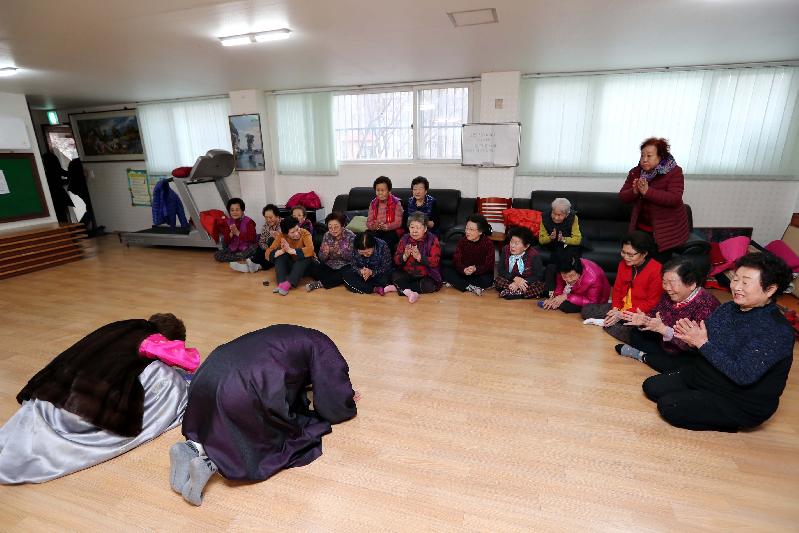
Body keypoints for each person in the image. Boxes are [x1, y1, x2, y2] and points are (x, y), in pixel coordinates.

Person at [169, 324, 359, 506]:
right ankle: (210, 463)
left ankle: (191, 448)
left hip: (207, 374)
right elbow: (333, 394)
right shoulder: (325, 347)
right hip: (239, 388)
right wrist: (346, 398)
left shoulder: (294, 335)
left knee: (218, 418)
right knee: (269, 435)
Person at [0, 314, 199, 484]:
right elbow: (187, 361)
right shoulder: (150, 337)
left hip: (53, 391)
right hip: (81, 406)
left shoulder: (120, 327)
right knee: (166, 377)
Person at [642, 253, 794, 432]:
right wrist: (691, 340)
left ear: (770, 289)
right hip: (708, 376)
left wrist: (702, 343)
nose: (736, 286)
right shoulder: (728, 308)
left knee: (668, 406)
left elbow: (743, 374)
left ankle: (729, 423)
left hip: (740, 399)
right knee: (651, 387)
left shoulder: (777, 330)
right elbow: (703, 343)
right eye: (735, 279)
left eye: (745, 283)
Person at [615, 256, 720, 372]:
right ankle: (652, 358)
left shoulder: (706, 305)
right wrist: (644, 320)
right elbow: (655, 315)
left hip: (687, 352)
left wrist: (664, 330)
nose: (667, 288)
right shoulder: (669, 295)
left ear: (691, 284)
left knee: (685, 364)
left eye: (671, 283)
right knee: (636, 334)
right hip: (666, 343)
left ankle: (643, 357)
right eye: (664, 283)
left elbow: (697, 346)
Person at [581, 231, 663, 343]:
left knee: (629, 334)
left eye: (630, 254)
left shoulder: (657, 270)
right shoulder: (623, 264)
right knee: (586, 310)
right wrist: (616, 309)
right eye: (623, 252)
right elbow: (617, 289)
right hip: (621, 308)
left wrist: (622, 314)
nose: (626, 257)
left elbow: (651, 303)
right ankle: (612, 321)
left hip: (639, 313)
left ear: (644, 253)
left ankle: (610, 322)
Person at [619, 137, 689, 263]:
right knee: (638, 262)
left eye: (649, 156)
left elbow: (674, 198)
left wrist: (647, 192)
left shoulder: (674, 172)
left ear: (660, 156)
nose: (644, 159)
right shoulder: (636, 172)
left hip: (666, 231)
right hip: (641, 228)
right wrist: (634, 191)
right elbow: (622, 197)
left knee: (657, 266)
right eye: (642, 155)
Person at [393, 212, 442, 303]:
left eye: (418, 228)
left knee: (430, 286)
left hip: (426, 275)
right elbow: (396, 260)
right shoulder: (404, 239)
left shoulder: (432, 239)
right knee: (394, 275)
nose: (414, 231)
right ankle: (407, 291)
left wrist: (420, 257)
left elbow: (435, 261)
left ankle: (401, 288)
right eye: (412, 227)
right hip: (408, 273)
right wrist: (405, 255)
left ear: (425, 229)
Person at [442, 214, 495, 296]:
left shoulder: (488, 243)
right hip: (464, 273)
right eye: (466, 228)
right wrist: (463, 269)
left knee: (487, 280)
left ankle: (461, 285)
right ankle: (471, 287)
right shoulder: (462, 241)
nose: (467, 232)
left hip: (479, 273)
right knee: (446, 271)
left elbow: (489, 265)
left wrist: (475, 269)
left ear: (480, 231)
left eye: (471, 229)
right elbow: (456, 260)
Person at [539, 198, 583, 293]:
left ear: (566, 214)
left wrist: (563, 239)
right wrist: (550, 238)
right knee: (555, 259)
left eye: (559, 215)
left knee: (569, 255)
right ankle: (550, 290)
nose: (555, 217)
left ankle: (570, 287)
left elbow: (577, 239)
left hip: (568, 244)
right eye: (554, 213)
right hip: (551, 244)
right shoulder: (545, 217)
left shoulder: (573, 218)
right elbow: (541, 240)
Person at [541, 256, 611, 313]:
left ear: (579, 272)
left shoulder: (593, 278)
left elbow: (592, 301)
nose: (569, 279)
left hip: (595, 300)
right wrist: (555, 298)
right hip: (575, 292)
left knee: (566, 306)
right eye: (564, 276)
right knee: (551, 268)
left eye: (572, 276)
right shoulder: (562, 269)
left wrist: (567, 297)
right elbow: (560, 285)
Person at [265, 216, 315, 295]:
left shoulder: (305, 233)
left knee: (305, 257)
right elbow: (268, 252)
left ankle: (288, 283)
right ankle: (281, 283)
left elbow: (310, 250)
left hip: (305, 267)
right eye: (292, 232)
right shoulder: (282, 235)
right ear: (286, 234)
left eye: (297, 229)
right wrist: (282, 250)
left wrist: (291, 250)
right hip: (292, 265)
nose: (297, 233)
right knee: (280, 256)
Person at [306, 212, 356, 291]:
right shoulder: (327, 235)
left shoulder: (350, 236)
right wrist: (325, 253)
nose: (333, 230)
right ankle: (333, 280)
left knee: (346, 272)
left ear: (342, 226)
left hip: (345, 265)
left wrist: (340, 251)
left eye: (336, 227)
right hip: (330, 264)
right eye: (330, 227)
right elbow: (321, 258)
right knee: (313, 268)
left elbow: (353, 257)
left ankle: (321, 283)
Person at [495, 226, 545, 300]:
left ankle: (511, 291)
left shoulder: (534, 255)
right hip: (511, 278)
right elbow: (501, 269)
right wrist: (515, 279)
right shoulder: (505, 249)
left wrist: (519, 283)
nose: (512, 246)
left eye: (516, 243)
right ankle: (518, 293)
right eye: (511, 242)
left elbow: (538, 276)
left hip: (526, 281)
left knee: (540, 286)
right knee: (498, 280)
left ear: (526, 246)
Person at [214, 198, 259, 272]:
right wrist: (231, 234)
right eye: (232, 210)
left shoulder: (249, 222)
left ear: (242, 210)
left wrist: (238, 233)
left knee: (255, 247)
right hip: (234, 250)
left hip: (247, 248)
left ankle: (241, 258)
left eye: (237, 210)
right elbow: (226, 241)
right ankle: (241, 258)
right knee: (217, 255)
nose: (234, 212)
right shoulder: (228, 222)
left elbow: (252, 238)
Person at [366, 176, 403, 252]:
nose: (380, 193)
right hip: (377, 230)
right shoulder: (373, 203)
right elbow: (369, 222)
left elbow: (398, 223)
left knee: (386, 241)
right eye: (378, 190)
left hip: (392, 230)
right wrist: (374, 226)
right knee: (367, 239)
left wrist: (387, 226)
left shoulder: (396, 203)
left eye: (383, 190)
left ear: (389, 191)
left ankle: (385, 258)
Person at [42, 151, 72, 223]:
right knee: (63, 215)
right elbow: (67, 175)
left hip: (52, 196)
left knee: (59, 216)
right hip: (59, 195)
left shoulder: (45, 172)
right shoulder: (57, 169)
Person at [251, 204, 282, 272]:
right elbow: (262, 241)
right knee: (260, 248)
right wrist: (267, 249)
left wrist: (277, 238)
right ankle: (253, 264)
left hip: (280, 250)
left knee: (271, 241)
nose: (268, 220)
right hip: (268, 249)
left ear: (277, 216)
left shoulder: (284, 224)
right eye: (266, 217)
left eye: (270, 217)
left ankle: (256, 265)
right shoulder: (265, 226)